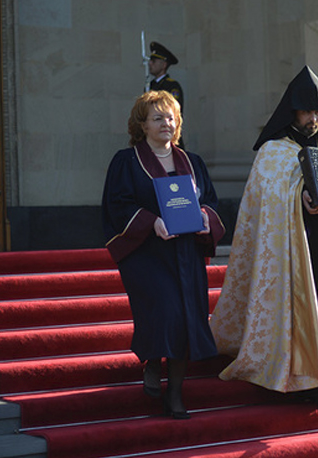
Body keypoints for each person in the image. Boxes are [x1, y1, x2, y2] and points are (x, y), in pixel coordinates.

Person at [210, 66, 318, 414]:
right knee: (305, 312)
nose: (313, 118)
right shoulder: (273, 152)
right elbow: (269, 197)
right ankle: (314, 386)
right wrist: (298, 199)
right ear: (293, 111)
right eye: (307, 110)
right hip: (292, 250)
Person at [101, 91, 225, 419]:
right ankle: (154, 362)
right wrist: (151, 221)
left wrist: (205, 219)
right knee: (165, 310)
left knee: (186, 318)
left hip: (186, 252)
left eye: (171, 117)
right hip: (147, 253)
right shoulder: (126, 162)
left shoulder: (193, 162)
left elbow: (210, 201)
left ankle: (175, 394)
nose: (166, 124)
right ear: (142, 125)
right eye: (158, 118)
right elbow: (117, 206)